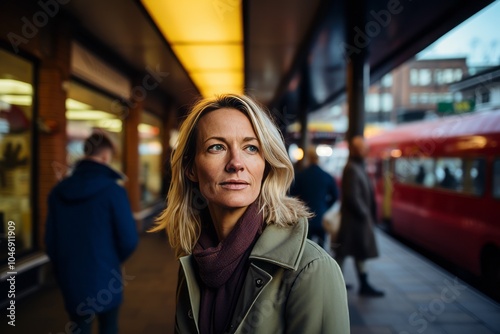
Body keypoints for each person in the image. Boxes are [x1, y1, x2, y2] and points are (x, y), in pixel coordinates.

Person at [153, 94, 349, 333]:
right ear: (191, 169)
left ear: (266, 165)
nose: (236, 163)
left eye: (251, 148)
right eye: (216, 147)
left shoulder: (312, 269)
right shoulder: (194, 260)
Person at [45, 131, 139, 334]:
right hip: (106, 274)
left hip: (70, 275)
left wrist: (62, 266)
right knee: (109, 326)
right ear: (105, 157)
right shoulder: (113, 191)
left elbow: (50, 241)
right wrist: (111, 260)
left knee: (79, 326)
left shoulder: (58, 191)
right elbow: (129, 239)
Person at [334, 136, 384, 297]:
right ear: (356, 150)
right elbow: (352, 196)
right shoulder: (352, 168)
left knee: (350, 252)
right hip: (355, 221)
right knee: (351, 251)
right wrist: (364, 214)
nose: (366, 150)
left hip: (355, 220)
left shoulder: (356, 166)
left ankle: (343, 282)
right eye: (363, 148)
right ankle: (345, 283)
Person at [290, 146, 339, 249]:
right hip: (322, 217)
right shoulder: (326, 175)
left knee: (306, 247)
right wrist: (325, 207)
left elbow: (292, 196)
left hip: (305, 217)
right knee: (321, 248)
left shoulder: (301, 176)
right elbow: (336, 195)